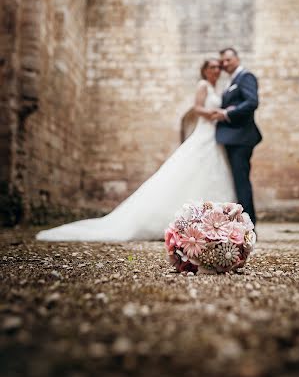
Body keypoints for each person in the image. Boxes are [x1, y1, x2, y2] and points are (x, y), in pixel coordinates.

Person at [36, 59, 236, 242]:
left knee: (208, 173)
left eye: (218, 67)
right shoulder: (203, 86)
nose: (216, 70)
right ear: (205, 70)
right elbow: (197, 108)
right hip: (204, 132)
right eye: (212, 67)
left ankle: (211, 223)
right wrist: (214, 113)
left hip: (214, 136)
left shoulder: (215, 88)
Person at [212, 47, 262, 225]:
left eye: (228, 60)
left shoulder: (245, 77)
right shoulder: (231, 81)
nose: (225, 64)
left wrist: (226, 114)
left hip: (241, 138)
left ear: (237, 59)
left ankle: (250, 227)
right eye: (223, 61)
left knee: (242, 183)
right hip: (231, 138)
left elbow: (252, 102)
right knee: (236, 182)